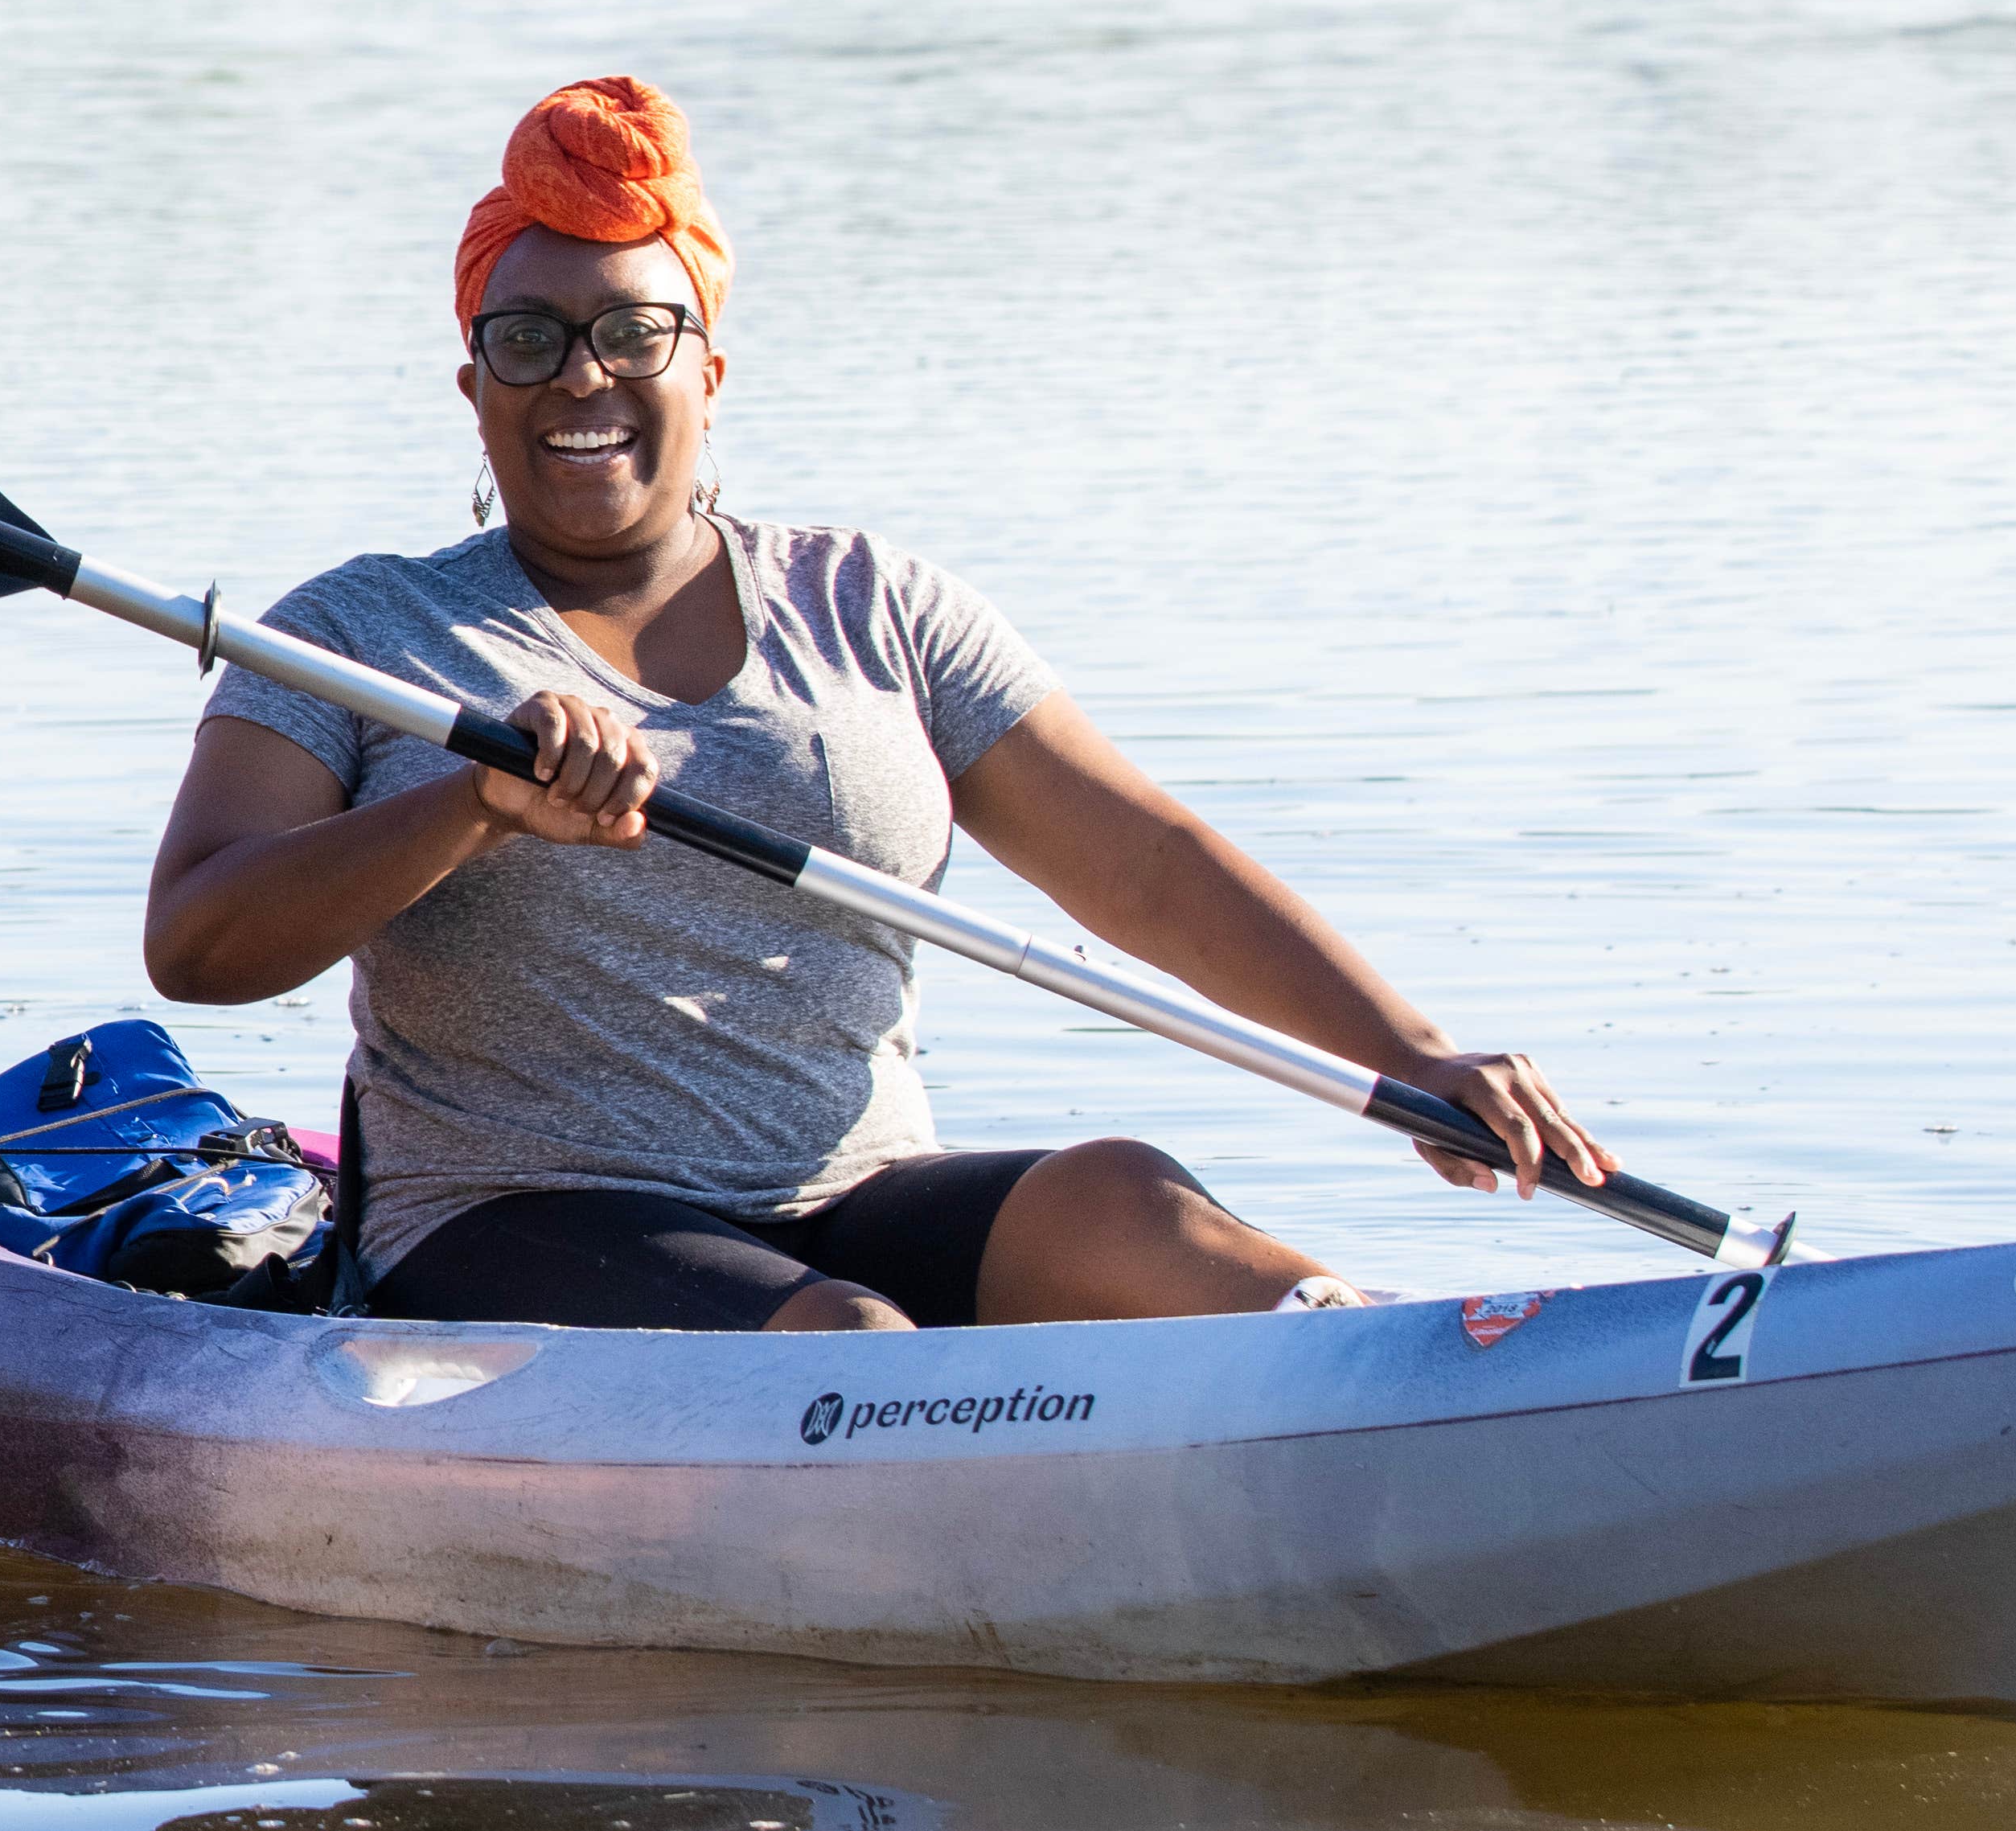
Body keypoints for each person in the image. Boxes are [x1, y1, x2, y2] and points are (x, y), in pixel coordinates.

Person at [135, 76, 1601, 1333]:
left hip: (860, 1196)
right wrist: (474, 809)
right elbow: (195, 944)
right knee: (847, 1337)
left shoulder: (875, 604)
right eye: (529, 339)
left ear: (709, 366)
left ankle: (1409, 1390)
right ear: (473, 387)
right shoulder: (347, 635)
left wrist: (1408, 1056)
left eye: (632, 332)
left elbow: (1145, 862)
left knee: (1125, 1197)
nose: (581, 373)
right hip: (505, 1220)